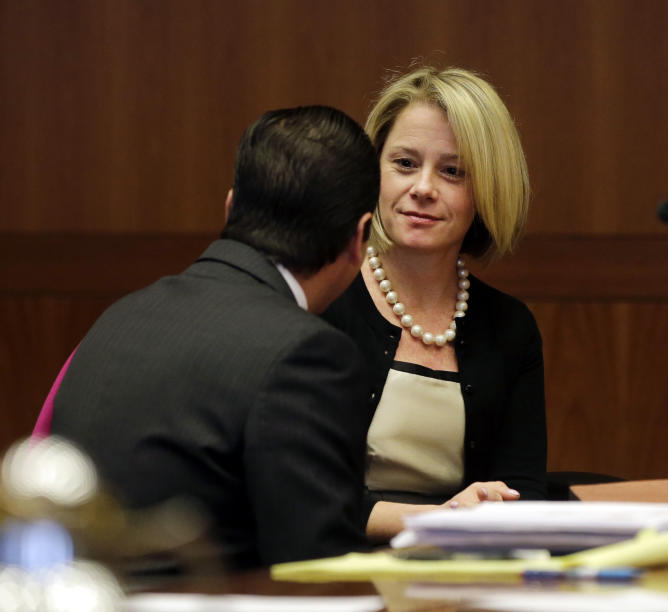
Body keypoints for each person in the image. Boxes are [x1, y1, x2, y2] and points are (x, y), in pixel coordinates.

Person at [50, 105, 379, 567]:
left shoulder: (124, 315)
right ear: (359, 238)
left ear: (230, 206)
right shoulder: (307, 354)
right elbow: (318, 572)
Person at [324, 66, 547, 541]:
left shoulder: (510, 327)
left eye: (452, 172)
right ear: (372, 173)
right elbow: (304, 491)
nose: (423, 188)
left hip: (465, 577)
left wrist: (481, 515)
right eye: (404, 163)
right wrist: (439, 520)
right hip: (336, 569)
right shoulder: (322, 301)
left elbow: (522, 490)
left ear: (486, 191)